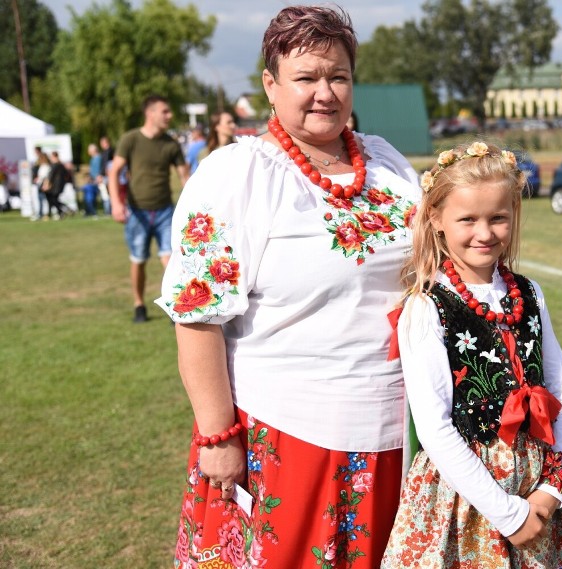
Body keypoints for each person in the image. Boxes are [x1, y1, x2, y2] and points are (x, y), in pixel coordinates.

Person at [155, 6, 420, 568]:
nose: (324, 92)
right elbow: (198, 317)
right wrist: (217, 437)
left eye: (338, 76)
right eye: (306, 77)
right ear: (271, 86)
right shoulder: (236, 177)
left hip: (398, 433)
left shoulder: (389, 164)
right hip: (289, 437)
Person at [381, 142, 562, 568]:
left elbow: (560, 393)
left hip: (534, 486)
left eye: (498, 217)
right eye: (467, 219)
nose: (485, 232)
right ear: (436, 219)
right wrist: (508, 514)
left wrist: (551, 490)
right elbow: (435, 427)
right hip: (464, 499)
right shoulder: (426, 308)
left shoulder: (529, 293)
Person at [108, 94, 189, 324]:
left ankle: (176, 304)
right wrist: (116, 203)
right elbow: (114, 171)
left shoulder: (171, 144)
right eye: (165, 111)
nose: (169, 116)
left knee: (170, 258)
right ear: (150, 113)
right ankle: (139, 305)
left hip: (165, 211)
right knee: (139, 259)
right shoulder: (130, 139)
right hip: (137, 212)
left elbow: (185, 176)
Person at [43, 151, 71, 220]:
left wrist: (47, 185)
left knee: (53, 200)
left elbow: (50, 176)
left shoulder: (56, 165)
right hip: (59, 185)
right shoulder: (61, 165)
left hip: (55, 186)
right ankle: (61, 212)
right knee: (53, 200)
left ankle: (65, 210)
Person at [98, 136, 114, 214]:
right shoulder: (104, 152)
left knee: (109, 193)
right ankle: (108, 210)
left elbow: (108, 165)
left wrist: (102, 174)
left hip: (108, 176)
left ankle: (109, 210)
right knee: (106, 194)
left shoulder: (111, 151)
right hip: (104, 175)